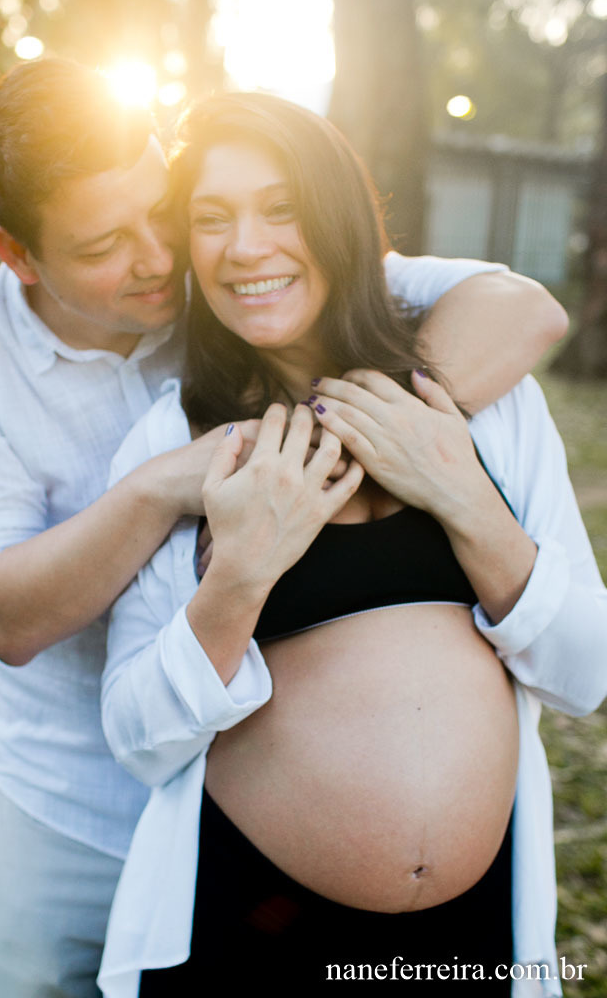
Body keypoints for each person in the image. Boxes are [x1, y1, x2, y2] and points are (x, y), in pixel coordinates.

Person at [0, 58, 567, 998]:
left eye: (161, 212)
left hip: (226, 798)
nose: (156, 258)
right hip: (64, 797)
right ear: (18, 255)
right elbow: (1, 614)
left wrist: (371, 435)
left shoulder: (239, 266)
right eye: (104, 244)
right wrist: (160, 489)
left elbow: (518, 309)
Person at [98, 92, 607, 998]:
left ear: (340, 221)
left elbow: (587, 671)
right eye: (212, 219)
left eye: (282, 208)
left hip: (470, 944)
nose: (245, 246)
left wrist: (464, 496)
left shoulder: (488, 410)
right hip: (250, 934)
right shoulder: (176, 442)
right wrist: (240, 576)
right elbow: (137, 739)